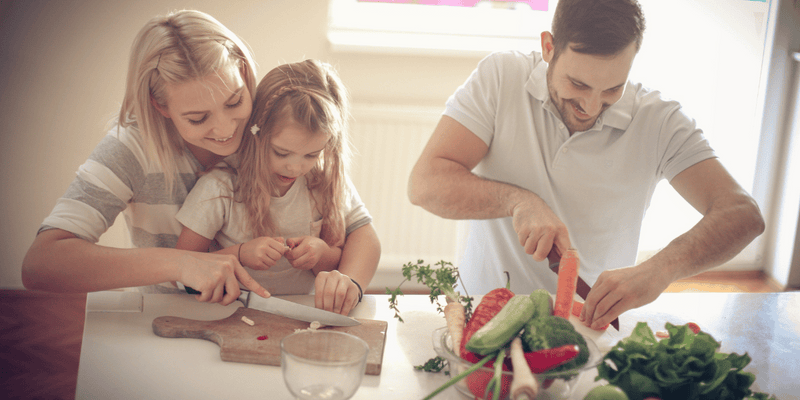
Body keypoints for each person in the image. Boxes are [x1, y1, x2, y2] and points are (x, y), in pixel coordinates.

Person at [407, 0, 764, 330]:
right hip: (481, 313)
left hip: (588, 328)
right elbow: (425, 184)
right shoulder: (501, 77)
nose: (591, 107)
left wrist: (661, 268)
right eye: (578, 83)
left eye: (612, 89)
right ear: (549, 47)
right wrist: (517, 202)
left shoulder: (660, 120)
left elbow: (743, 215)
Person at [23, 10, 268, 306]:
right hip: (161, 318)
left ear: (243, 71)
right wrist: (180, 263)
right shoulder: (132, 148)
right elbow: (40, 264)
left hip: (266, 315)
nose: (227, 128)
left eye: (235, 101)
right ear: (160, 106)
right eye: (198, 118)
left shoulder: (273, 126)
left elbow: (339, 218)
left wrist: (341, 273)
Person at [175, 59, 380, 315]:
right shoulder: (221, 187)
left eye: (311, 154)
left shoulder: (322, 180)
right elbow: (182, 267)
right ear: (256, 132)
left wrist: (329, 261)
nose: (295, 168)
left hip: (299, 313)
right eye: (281, 152)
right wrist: (240, 253)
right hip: (227, 313)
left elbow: (366, 239)